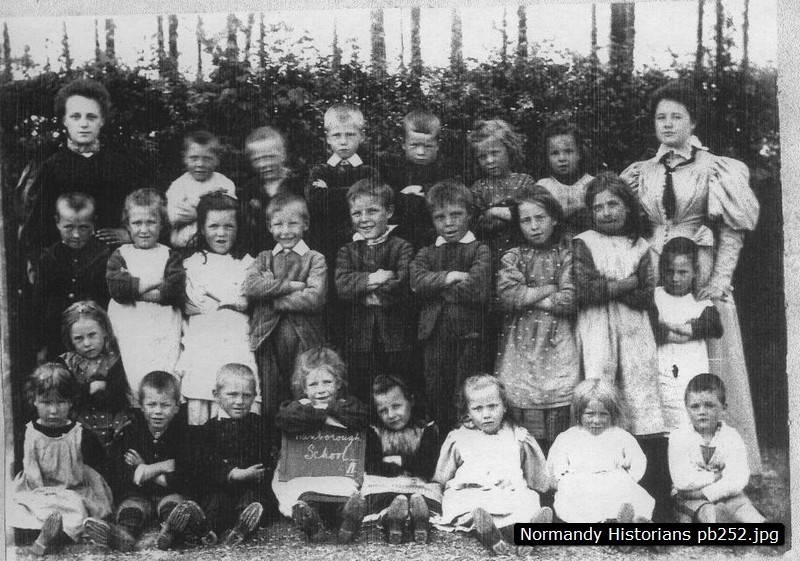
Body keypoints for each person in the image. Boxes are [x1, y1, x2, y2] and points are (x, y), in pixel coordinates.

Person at [620, 81, 762, 473]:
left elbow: (732, 231)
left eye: (676, 116)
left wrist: (719, 281)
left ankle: (717, 461)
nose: (667, 124)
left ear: (693, 121)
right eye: (660, 117)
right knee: (655, 354)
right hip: (654, 268)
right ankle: (655, 462)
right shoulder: (642, 172)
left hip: (698, 269)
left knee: (706, 358)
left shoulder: (715, 168)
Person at [573, 172, 667, 519]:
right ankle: (600, 493)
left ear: (628, 207)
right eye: (599, 207)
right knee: (600, 390)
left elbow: (646, 295)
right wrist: (626, 283)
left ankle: (650, 496)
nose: (607, 212)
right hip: (596, 328)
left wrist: (612, 286)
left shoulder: (640, 246)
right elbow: (585, 290)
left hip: (634, 331)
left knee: (641, 396)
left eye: (614, 204)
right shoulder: (584, 242)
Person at [20, 78, 145, 272]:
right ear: (64, 120)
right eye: (76, 116)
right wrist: (40, 264)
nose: (84, 124)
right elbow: (36, 228)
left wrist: (130, 234)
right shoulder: (52, 167)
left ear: (102, 120)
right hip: (66, 265)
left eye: (91, 117)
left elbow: (146, 209)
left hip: (115, 261)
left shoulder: (121, 165)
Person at [83, 371, 213, 552]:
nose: (158, 411)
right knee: (131, 507)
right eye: (151, 405)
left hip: (170, 493)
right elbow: (122, 473)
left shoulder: (184, 435)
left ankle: (170, 533)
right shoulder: (130, 434)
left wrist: (144, 469)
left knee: (174, 505)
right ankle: (123, 534)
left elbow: (185, 474)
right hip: (138, 494)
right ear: (141, 406)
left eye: (165, 405)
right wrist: (163, 467)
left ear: (177, 406)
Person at [495, 185, 578, 456]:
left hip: (557, 340)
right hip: (521, 341)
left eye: (540, 218)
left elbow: (570, 298)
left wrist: (529, 296)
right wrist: (549, 289)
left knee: (559, 411)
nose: (534, 226)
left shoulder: (566, 255)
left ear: (553, 219)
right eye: (526, 220)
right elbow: (509, 295)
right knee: (525, 419)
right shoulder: (513, 257)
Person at [433, 375, 552, 556]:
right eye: (478, 408)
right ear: (468, 412)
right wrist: (439, 487)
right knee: (469, 508)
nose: (486, 414)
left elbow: (536, 475)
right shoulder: (459, 438)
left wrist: (540, 485)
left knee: (524, 504)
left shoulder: (518, 436)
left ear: (504, 406)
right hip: (472, 491)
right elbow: (443, 475)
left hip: (508, 491)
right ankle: (488, 534)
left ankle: (527, 534)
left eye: (492, 406)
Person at [410, 180, 492, 431]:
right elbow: (416, 283)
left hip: (470, 335)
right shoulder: (426, 253)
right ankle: (443, 443)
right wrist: (450, 277)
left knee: (467, 392)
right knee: (437, 392)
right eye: (440, 217)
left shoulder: (480, 249)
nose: (448, 223)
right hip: (433, 336)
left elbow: (477, 288)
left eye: (456, 215)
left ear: (470, 214)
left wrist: (435, 291)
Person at [9, 363, 113, 556]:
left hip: (72, 491)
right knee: (19, 508)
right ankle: (48, 535)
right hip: (38, 491)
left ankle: (51, 537)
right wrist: (38, 493)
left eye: (61, 402)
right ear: (34, 400)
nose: (53, 411)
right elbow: (26, 470)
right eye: (46, 402)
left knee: (76, 510)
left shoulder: (80, 434)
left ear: (71, 401)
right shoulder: (28, 434)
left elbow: (96, 467)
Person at [174, 192, 258, 425]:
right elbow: (193, 304)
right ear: (202, 228)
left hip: (238, 351)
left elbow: (249, 300)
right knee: (201, 422)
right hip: (202, 355)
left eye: (229, 226)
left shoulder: (249, 264)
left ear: (238, 228)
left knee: (239, 414)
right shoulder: (190, 265)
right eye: (213, 226)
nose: (221, 233)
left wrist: (230, 301)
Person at [272, 347, 370, 543]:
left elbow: (362, 416)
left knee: (345, 495)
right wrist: (318, 413)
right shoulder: (299, 407)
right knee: (303, 498)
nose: (321, 389)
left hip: (339, 473)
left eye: (327, 382)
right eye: (313, 384)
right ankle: (311, 523)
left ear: (338, 383)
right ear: (304, 387)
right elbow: (284, 419)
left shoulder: (347, 404)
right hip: (305, 475)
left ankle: (348, 520)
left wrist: (331, 408)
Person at [242, 193, 327, 420]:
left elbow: (314, 298)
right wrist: (291, 286)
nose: (285, 231)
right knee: (271, 395)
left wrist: (272, 298)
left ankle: (301, 440)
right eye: (278, 224)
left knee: (302, 391)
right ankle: (273, 440)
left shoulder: (314, 258)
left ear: (305, 224)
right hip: (267, 338)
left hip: (304, 339)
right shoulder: (264, 258)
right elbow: (250, 286)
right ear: (269, 227)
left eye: (293, 223)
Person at [334, 179, 415, 402]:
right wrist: (375, 278)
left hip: (396, 337)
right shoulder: (347, 250)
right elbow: (342, 286)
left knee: (400, 387)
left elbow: (401, 284)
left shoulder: (402, 246)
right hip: (359, 338)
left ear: (389, 212)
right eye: (357, 213)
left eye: (372, 211)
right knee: (364, 392)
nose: (364, 219)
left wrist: (362, 292)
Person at [106, 189, 184, 396]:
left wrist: (135, 290)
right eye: (137, 223)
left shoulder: (169, 255)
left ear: (161, 223)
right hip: (130, 323)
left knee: (163, 368)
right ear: (127, 225)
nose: (144, 230)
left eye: (151, 222)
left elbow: (174, 288)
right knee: (133, 369)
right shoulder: (121, 254)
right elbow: (118, 288)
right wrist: (156, 283)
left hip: (162, 324)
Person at [547, 379, 654, 523]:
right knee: (577, 502)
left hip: (612, 481)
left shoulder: (620, 435)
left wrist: (630, 477)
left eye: (604, 414)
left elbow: (638, 459)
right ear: (579, 413)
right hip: (580, 484)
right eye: (590, 414)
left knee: (632, 496)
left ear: (613, 414)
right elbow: (555, 464)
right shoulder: (568, 437)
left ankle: (631, 520)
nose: (596, 420)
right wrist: (562, 481)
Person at [669, 374, 765, 523]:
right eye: (695, 406)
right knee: (705, 509)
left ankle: (758, 523)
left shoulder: (731, 437)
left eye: (709, 405)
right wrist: (716, 476)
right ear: (686, 408)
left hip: (720, 492)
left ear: (723, 408)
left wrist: (706, 492)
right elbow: (682, 480)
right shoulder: (679, 436)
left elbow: (738, 477)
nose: (702, 411)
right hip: (688, 496)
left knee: (741, 505)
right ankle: (718, 521)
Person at [194, 364, 272, 546]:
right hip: (221, 488)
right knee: (214, 503)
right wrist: (233, 473)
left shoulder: (260, 425)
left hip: (250, 486)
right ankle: (209, 532)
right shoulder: (208, 429)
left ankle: (242, 527)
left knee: (255, 500)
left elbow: (265, 457)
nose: (240, 401)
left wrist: (255, 472)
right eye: (232, 394)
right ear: (216, 395)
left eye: (247, 395)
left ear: (255, 396)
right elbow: (205, 464)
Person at [361, 375, 442, 544]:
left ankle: (420, 520)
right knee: (376, 494)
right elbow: (373, 466)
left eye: (396, 406)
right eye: (383, 411)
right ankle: (391, 520)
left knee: (426, 495)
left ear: (410, 401)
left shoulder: (425, 428)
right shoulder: (375, 431)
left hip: (417, 485)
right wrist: (408, 464)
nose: (391, 415)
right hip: (386, 485)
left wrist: (398, 461)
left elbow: (427, 467)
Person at [654, 237, 723, 432]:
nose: (675, 278)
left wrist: (690, 330)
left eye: (682, 272)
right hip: (662, 365)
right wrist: (668, 334)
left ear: (695, 272)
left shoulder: (699, 300)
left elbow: (716, 327)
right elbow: (646, 325)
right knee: (665, 412)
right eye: (669, 271)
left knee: (690, 413)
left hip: (691, 367)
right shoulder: (655, 296)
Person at [33, 192, 111, 361]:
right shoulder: (48, 258)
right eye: (68, 227)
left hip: (96, 341)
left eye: (83, 227)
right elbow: (39, 304)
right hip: (58, 340)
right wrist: (40, 345)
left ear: (94, 222)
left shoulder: (104, 256)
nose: (76, 235)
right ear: (57, 222)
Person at [306, 104, 379, 270]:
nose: (343, 141)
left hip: (360, 241)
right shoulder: (320, 171)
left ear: (361, 136)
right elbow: (316, 201)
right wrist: (356, 192)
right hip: (324, 242)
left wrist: (329, 193)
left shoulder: (368, 171)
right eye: (337, 135)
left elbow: (372, 200)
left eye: (350, 135)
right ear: (328, 138)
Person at [59, 301, 132, 449]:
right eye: (79, 338)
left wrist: (107, 389)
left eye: (92, 335)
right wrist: (89, 389)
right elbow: (64, 394)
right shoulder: (67, 362)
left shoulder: (114, 359)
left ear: (104, 331)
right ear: (70, 339)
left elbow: (119, 394)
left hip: (112, 422)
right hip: (81, 425)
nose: (87, 343)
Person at [380, 109, 453, 249]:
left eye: (428, 146)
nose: (421, 152)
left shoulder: (444, 171)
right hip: (398, 234)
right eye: (414, 145)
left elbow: (450, 196)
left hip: (434, 233)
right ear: (403, 143)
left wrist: (427, 192)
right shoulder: (393, 169)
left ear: (437, 145)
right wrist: (402, 195)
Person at [468, 119, 536, 264]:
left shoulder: (524, 182)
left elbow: (533, 211)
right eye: (482, 157)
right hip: (489, 254)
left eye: (494, 153)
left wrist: (495, 212)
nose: (489, 160)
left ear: (509, 151)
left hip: (523, 251)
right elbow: (474, 223)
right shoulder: (478, 188)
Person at [238, 126, 304, 255]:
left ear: (283, 155)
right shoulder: (250, 190)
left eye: (270, 157)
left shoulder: (298, 185)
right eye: (257, 159)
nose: (264, 164)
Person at [166, 130, 236, 249]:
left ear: (217, 160)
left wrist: (194, 212)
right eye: (193, 158)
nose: (200, 164)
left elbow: (227, 214)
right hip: (184, 247)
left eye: (207, 159)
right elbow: (174, 216)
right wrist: (207, 210)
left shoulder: (224, 183)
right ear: (185, 158)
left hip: (215, 246)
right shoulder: (178, 185)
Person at [535, 122, 595, 238]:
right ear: (547, 157)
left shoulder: (592, 184)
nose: (562, 158)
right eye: (555, 153)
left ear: (579, 154)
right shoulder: (543, 187)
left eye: (568, 151)